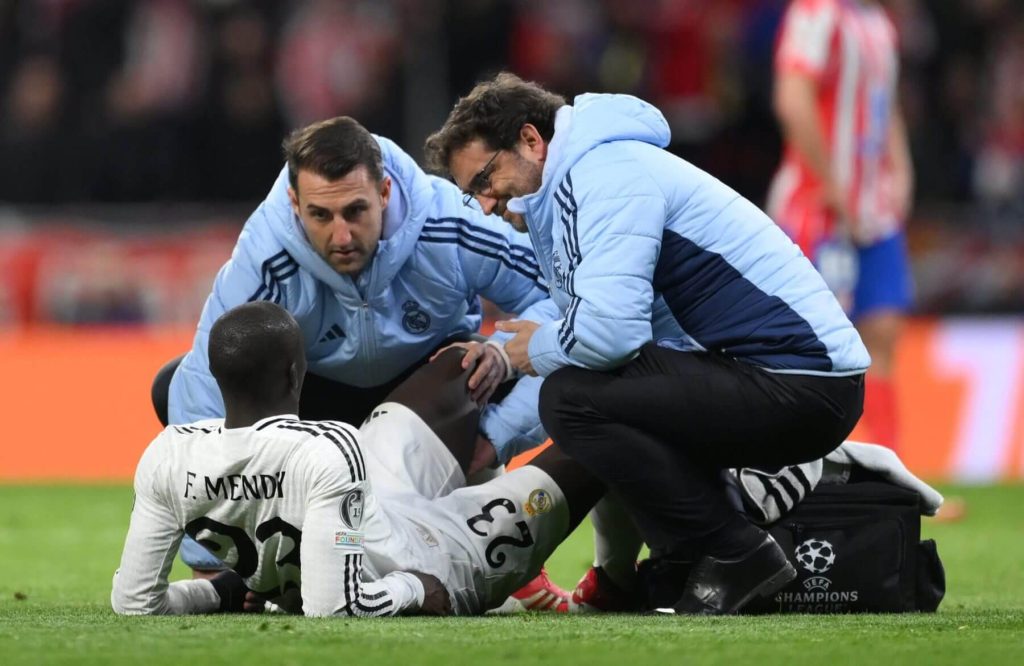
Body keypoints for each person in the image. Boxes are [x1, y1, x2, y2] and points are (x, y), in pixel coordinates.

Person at [425, 73, 869, 615]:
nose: (487, 204)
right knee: (595, 395)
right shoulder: (590, 173)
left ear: (530, 140)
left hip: (801, 384)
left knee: (572, 398)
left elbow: (611, 335)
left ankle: (736, 551)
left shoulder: (605, 176)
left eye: (485, 180)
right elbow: (583, 321)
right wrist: (501, 404)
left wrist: (530, 353)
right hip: (785, 378)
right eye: (474, 193)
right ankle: (682, 563)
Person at [155, 116, 565, 602]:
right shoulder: (264, 259)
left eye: (356, 211)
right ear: (294, 203)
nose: (342, 236)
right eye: (321, 217)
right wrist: (217, 557)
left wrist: (498, 394)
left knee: (473, 362)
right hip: (315, 409)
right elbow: (204, 384)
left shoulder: (448, 222)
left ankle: (504, 552)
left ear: (386, 192)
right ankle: (288, 559)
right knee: (175, 383)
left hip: (433, 393)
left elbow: (560, 302)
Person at [113, 301, 603, 616]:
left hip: (373, 493)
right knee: (603, 428)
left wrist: (214, 594)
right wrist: (414, 588)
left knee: (464, 362)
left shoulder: (167, 455)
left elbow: (134, 603)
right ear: (295, 374)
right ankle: (617, 576)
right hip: (426, 556)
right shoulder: (327, 449)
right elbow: (335, 607)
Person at [766, 0, 913, 453]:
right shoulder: (816, 11)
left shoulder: (876, 20)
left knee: (884, 333)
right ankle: (801, 466)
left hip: (875, 212)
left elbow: (885, 104)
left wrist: (902, 171)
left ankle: (895, 474)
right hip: (817, 209)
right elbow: (793, 98)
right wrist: (831, 183)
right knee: (813, 348)